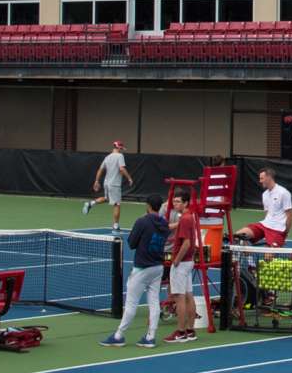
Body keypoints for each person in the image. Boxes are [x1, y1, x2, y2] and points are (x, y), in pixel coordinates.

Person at [103, 199, 170, 348]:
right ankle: (151, 336)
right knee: (153, 301)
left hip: (142, 268)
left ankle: (119, 335)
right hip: (158, 267)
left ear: (148, 206)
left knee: (131, 303)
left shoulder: (142, 221)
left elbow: (132, 243)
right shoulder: (164, 224)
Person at [165, 193, 205, 343]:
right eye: (174, 201)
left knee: (179, 297)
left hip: (182, 264)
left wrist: (176, 260)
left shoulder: (185, 219)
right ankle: (190, 330)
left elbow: (187, 243)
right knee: (188, 295)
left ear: (186, 203)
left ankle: (181, 332)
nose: (175, 204)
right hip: (188, 262)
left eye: (178, 201)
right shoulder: (190, 217)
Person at [238, 167, 292, 248]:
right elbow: (267, 213)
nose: (260, 181)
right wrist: (264, 231)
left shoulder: (284, 193)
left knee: (267, 258)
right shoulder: (264, 194)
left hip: (278, 229)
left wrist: (285, 233)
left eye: (262, 178)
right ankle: (248, 258)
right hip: (264, 225)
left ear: (269, 177)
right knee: (239, 236)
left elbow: (290, 215)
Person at [83, 140, 130, 226]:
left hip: (106, 183)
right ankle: (116, 226)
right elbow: (122, 169)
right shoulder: (120, 156)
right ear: (118, 147)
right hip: (114, 184)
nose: (121, 150)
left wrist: (96, 181)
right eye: (121, 148)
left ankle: (90, 204)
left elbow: (100, 170)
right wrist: (129, 178)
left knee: (107, 198)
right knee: (117, 204)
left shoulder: (107, 157)